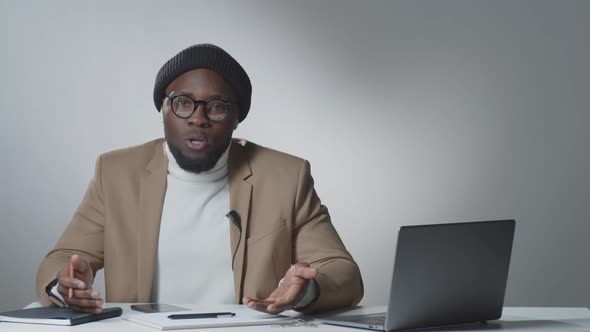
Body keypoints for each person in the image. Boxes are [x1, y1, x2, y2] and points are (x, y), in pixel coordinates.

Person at [36, 43, 363, 314]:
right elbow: (62, 258)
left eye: (217, 107)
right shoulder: (117, 173)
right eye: (183, 103)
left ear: (237, 117)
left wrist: (306, 290)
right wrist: (64, 285)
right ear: (163, 109)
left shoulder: (286, 177)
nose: (198, 117)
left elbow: (343, 272)